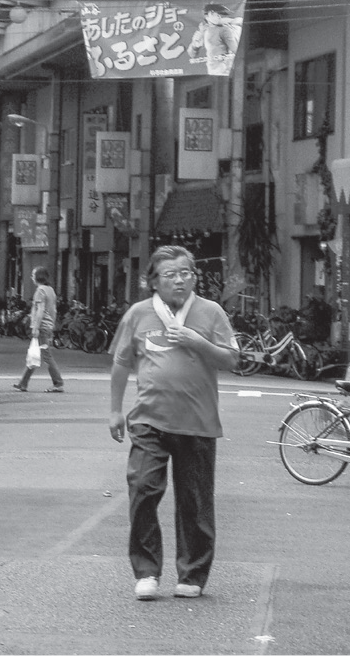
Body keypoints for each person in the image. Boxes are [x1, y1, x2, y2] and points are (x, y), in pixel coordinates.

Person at [108, 246, 239, 602]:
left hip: (197, 422)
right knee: (143, 490)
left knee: (195, 503)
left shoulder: (210, 312)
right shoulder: (138, 314)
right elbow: (122, 362)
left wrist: (198, 342)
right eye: (171, 274)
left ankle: (192, 573)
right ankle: (147, 571)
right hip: (149, 419)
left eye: (186, 273)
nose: (180, 280)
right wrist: (115, 410)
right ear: (153, 282)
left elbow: (232, 359)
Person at [14, 267, 64, 393]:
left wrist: (35, 327)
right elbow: (53, 310)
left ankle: (58, 383)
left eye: (33, 274)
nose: (31, 277)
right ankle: (23, 383)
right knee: (34, 354)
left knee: (46, 356)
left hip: (41, 327)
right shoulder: (50, 290)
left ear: (38, 277)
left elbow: (40, 310)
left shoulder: (40, 291)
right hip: (48, 326)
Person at [187, 4, 240, 76]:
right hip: (211, 70)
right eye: (215, 14)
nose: (219, 16)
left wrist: (230, 21)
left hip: (223, 69)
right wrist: (195, 46)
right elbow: (191, 54)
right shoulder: (203, 30)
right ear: (207, 16)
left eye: (220, 14)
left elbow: (235, 50)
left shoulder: (224, 30)